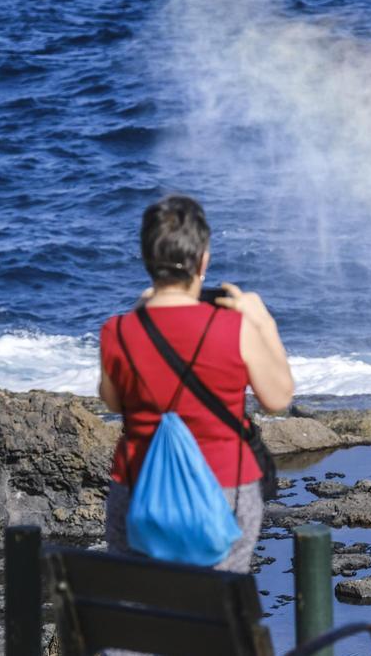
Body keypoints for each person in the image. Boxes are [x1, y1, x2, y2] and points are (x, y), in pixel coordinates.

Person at [98, 194, 294, 573]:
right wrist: (263, 322)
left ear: (147, 262)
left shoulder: (118, 331)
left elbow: (113, 401)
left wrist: (142, 314)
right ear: (202, 262)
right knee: (214, 610)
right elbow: (278, 397)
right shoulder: (235, 328)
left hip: (139, 491)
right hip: (225, 489)